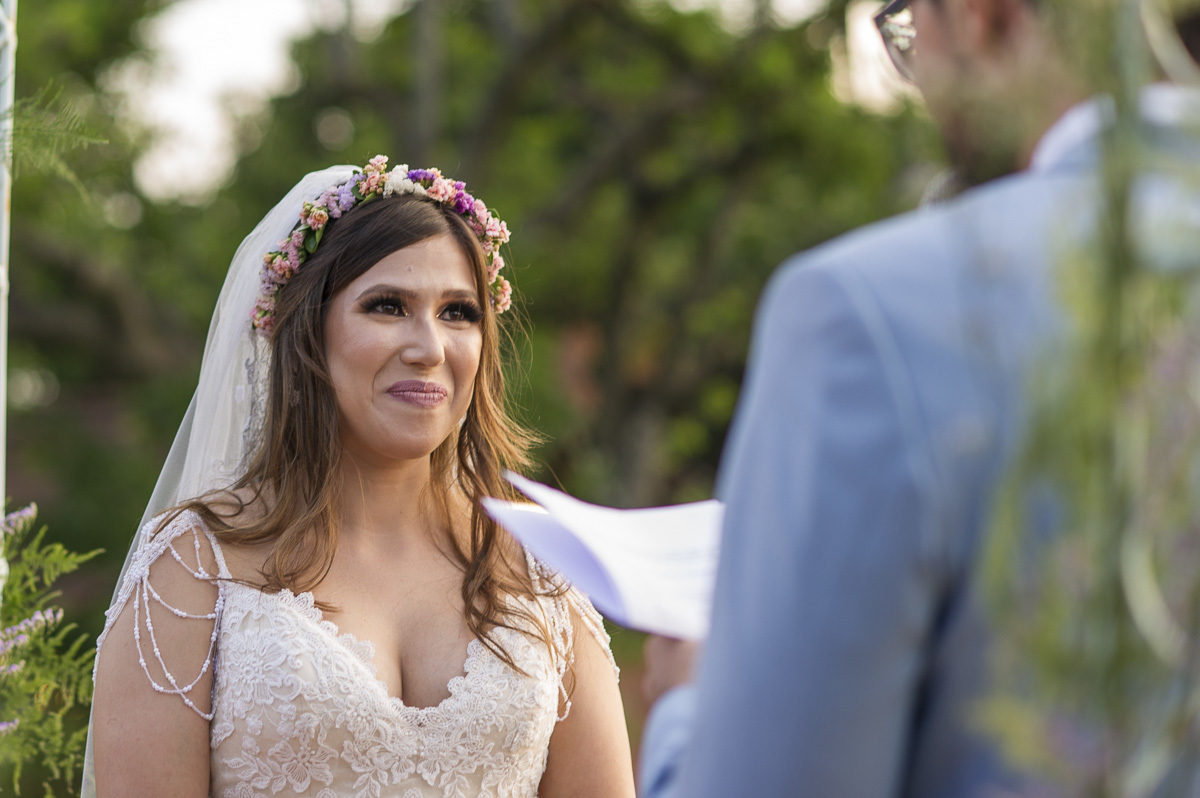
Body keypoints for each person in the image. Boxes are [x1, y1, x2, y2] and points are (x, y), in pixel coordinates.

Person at [638, 0, 1200, 795]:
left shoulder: (872, 312)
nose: (919, 81)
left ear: (984, 18)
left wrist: (682, 714)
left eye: (907, 31)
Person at [83, 156, 636, 797]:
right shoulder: (194, 570)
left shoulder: (543, 570)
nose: (429, 347)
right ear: (307, 332)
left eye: (458, 312)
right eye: (387, 306)